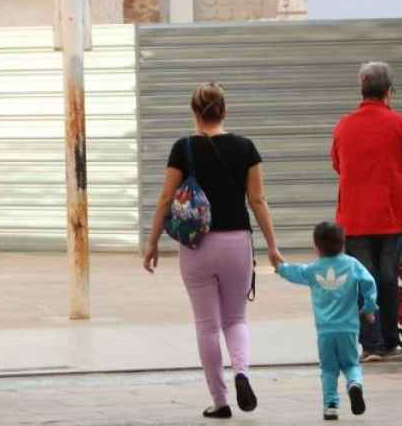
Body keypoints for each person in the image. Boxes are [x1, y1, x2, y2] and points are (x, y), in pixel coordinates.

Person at [143, 82, 285, 420]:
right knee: (235, 319)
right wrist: (273, 247)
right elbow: (258, 200)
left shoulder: (183, 148)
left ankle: (220, 401)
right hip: (236, 240)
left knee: (206, 325)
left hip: (197, 245)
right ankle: (242, 373)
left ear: (194, 112)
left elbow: (165, 198)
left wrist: (152, 242)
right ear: (225, 110)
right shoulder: (246, 148)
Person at [331, 61, 402, 361]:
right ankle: (389, 341)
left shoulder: (344, 126)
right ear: (389, 92)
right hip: (390, 217)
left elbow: (337, 165)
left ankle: (370, 345)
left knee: (363, 280)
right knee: (388, 279)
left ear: (362, 89)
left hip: (354, 218)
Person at [276, 222, 377, 421]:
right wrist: (368, 308)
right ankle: (354, 384)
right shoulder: (352, 264)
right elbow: (369, 282)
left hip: (325, 331)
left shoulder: (314, 269)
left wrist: (279, 267)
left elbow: (295, 272)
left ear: (316, 247)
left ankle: (330, 405)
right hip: (348, 328)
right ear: (343, 243)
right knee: (350, 364)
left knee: (329, 369)